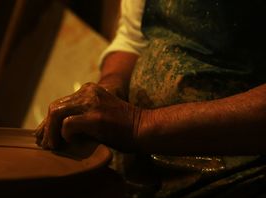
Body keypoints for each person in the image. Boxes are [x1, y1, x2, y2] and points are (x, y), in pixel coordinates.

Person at [35, 0, 266, 157]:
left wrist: (140, 124)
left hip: (237, 164)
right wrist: (110, 86)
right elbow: (133, 38)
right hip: (140, 152)